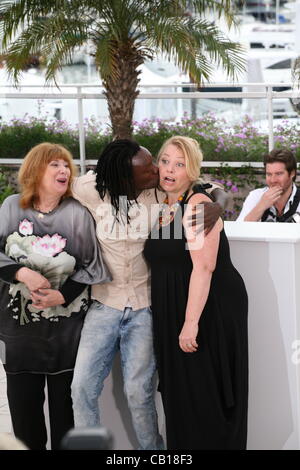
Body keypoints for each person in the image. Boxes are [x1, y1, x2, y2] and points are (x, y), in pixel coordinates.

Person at [71, 138, 226, 450]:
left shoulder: (160, 192)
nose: (158, 170)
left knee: (138, 392)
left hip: (145, 307)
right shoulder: (91, 188)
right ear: (126, 178)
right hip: (105, 304)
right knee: (80, 389)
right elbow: (56, 186)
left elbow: (207, 189)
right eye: (148, 169)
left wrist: (218, 205)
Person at [0, 143, 110, 450]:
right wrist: (22, 273)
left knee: (67, 414)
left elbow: (92, 265)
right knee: (24, 415)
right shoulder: (11, 207)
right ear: (36, 169)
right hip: (18, 332)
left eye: (66, 165)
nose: (64, 171)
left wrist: (61, 296)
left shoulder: (77, 213)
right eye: (55, 165)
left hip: (67, 331)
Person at [143, 136, 248, 450]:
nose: (170, 170)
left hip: (207, 308)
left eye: (179, 164)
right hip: (177, 305)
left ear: (191, 170)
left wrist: (190, 323)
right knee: (182, 395)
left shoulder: (197, 204)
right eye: (165, 161)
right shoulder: (166, 203)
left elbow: (204, 267)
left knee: (204, 395)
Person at [237, 149, 300, 222]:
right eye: (269, 174)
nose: (273, 180)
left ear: (292, 173)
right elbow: (239, 230)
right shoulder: (256, 196)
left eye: (279, 174)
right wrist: (261, 206)